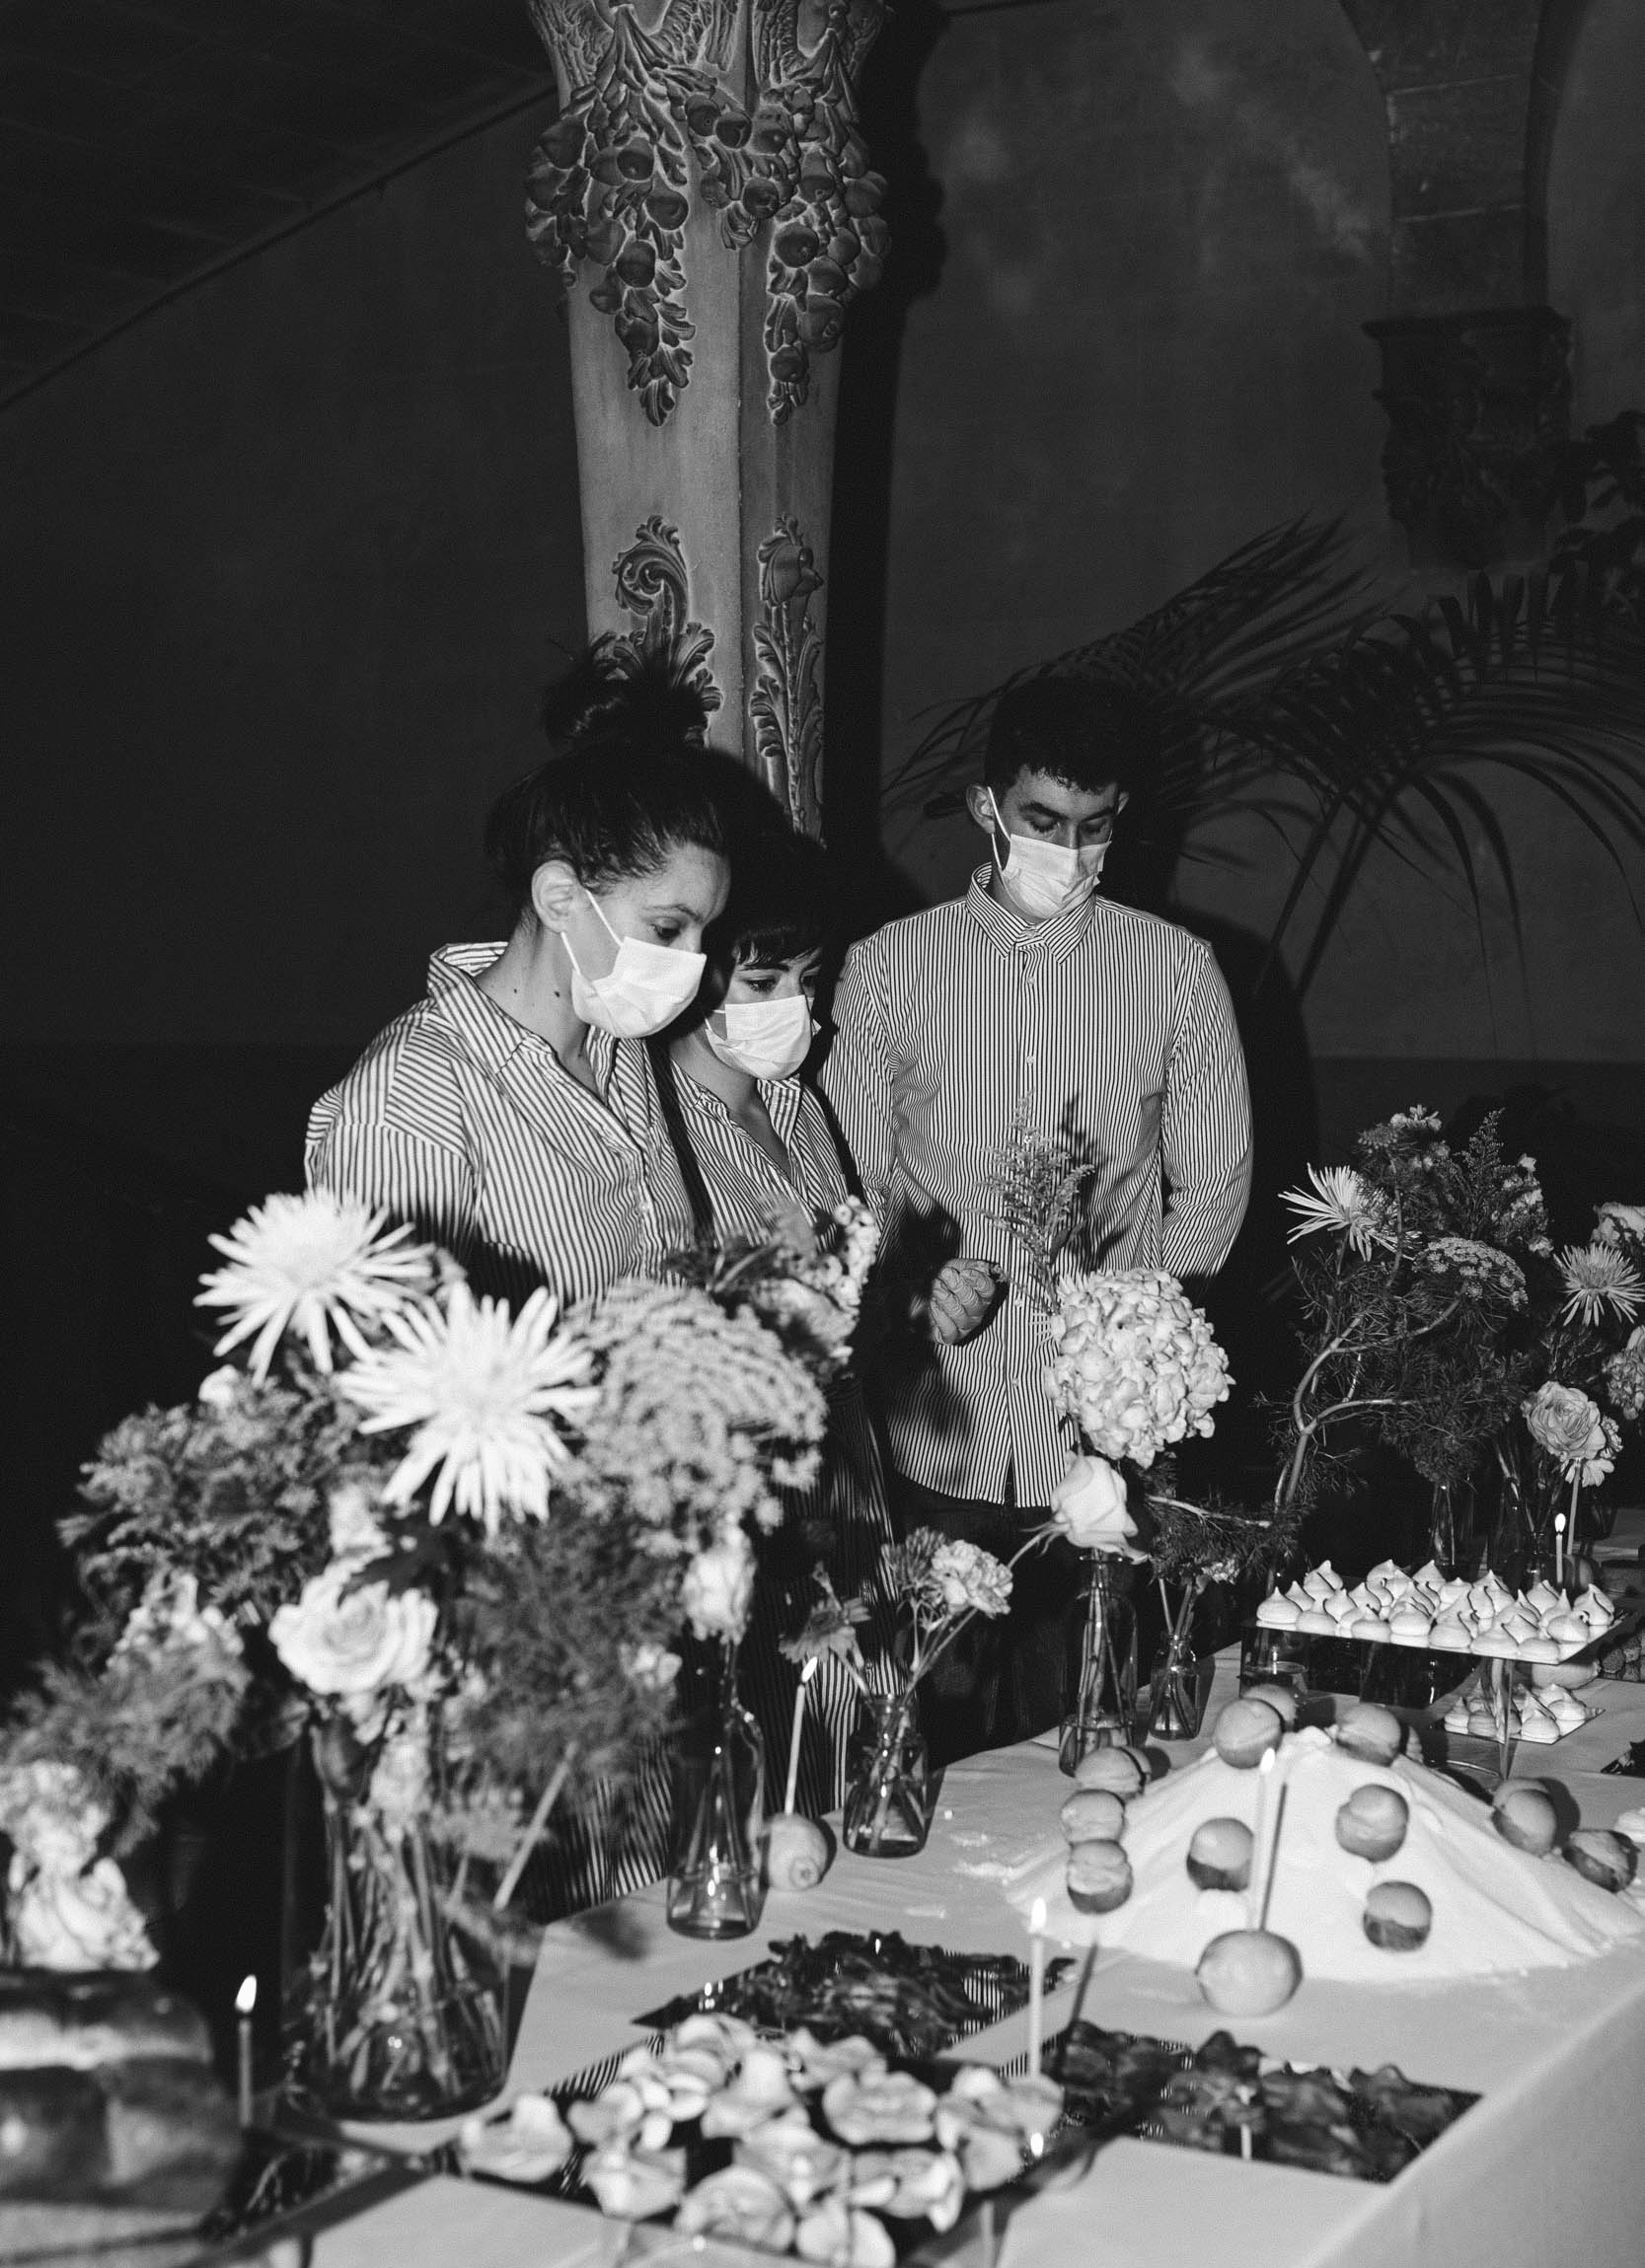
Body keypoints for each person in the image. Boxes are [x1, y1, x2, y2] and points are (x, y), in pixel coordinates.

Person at [821, 673, 1252, 1755]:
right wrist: (912, 1281)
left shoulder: (1175, 972)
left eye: (1093, 825)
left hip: (1106, 1443)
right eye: (1042, 821)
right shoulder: (888, 967)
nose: (1068, 847)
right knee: (934, 1738)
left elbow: (1212, 1185)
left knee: (1089, 1737)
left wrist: (1136, 1337)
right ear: (986, 807)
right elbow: (847, 1182)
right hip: (941, 1425)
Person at [305, 680, 728, 1308]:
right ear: (560, 898)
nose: (693, 966)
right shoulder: (406, 1099)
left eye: (704, 933)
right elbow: (386, 1352)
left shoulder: (618, 1046)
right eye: (668, 929)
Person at [650, 825, 897, 1811]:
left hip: (841, 1468)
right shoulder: (659, 1123)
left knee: (853, 1741)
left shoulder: (798, 1104)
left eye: (808, 978)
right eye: (762, 982)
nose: (794, 1006)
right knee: (755, 1756)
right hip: (740, 1484)